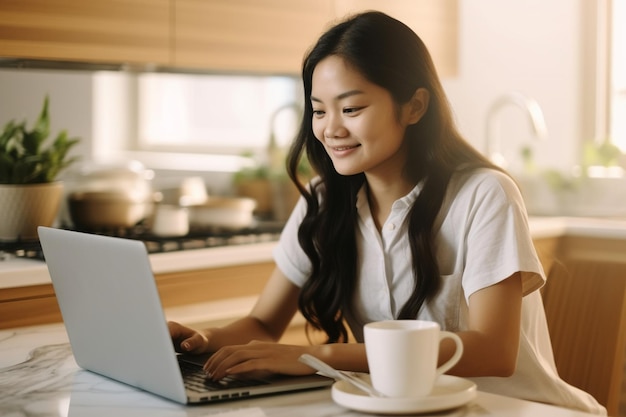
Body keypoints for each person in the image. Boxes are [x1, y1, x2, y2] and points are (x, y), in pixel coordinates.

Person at [169, 11, 605, 415]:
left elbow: (494, 351)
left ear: (414, 106)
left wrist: (318, 357)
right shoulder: (323, 201)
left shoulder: (484, 194)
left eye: (352, 108)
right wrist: (200, 341)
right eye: (319, 110)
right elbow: (264, 323)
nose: (330, 128)